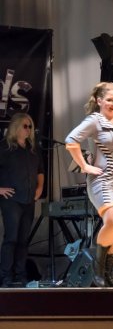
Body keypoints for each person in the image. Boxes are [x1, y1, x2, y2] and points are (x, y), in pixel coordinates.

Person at [66, 82, 113, 287]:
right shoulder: (95, 120)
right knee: (112, 219)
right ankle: (97, 269)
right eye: (109, 99)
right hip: (103, 180)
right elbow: (71, 141)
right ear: (99, 100)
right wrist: (84, 166)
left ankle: (108, 274)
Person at [0, 113, 44, 287]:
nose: (29, 129)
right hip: (11, 200)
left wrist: (39, 188)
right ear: (16, 127)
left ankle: (20, 275)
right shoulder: (4, 147)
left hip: (28, 199)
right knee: (11, 238)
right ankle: (6, 276)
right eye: (25, 126)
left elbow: (40, 171)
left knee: (23, 240)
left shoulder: (33, 149)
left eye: (30, 126)